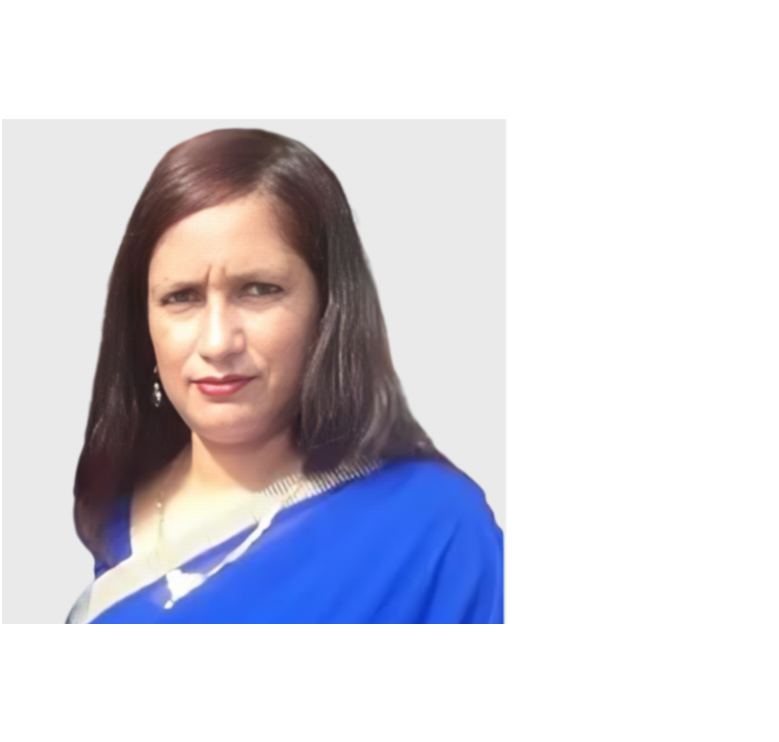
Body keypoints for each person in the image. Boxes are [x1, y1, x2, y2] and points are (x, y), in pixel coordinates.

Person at [70, 129, 503, 625]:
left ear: (329, 307)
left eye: (259, 290)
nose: (217, 342)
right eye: (181, 297)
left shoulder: (433, 528)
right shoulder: (117, 508)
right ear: (142, 324)